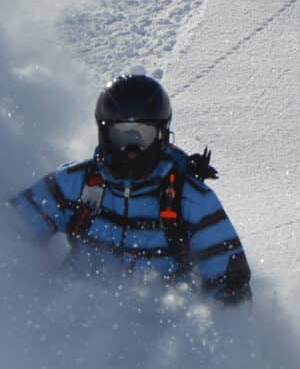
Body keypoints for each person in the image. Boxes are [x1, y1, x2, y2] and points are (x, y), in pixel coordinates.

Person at [14, 73, 253, 303]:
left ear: (162, 136)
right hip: (70, 321)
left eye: (142, 136)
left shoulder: (191, 201)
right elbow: (11, 233)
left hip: (162, 331)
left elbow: (230, 290)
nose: (131, 150)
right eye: (120, 136)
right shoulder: (74, 183)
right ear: (104, 134)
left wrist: (214, 336)